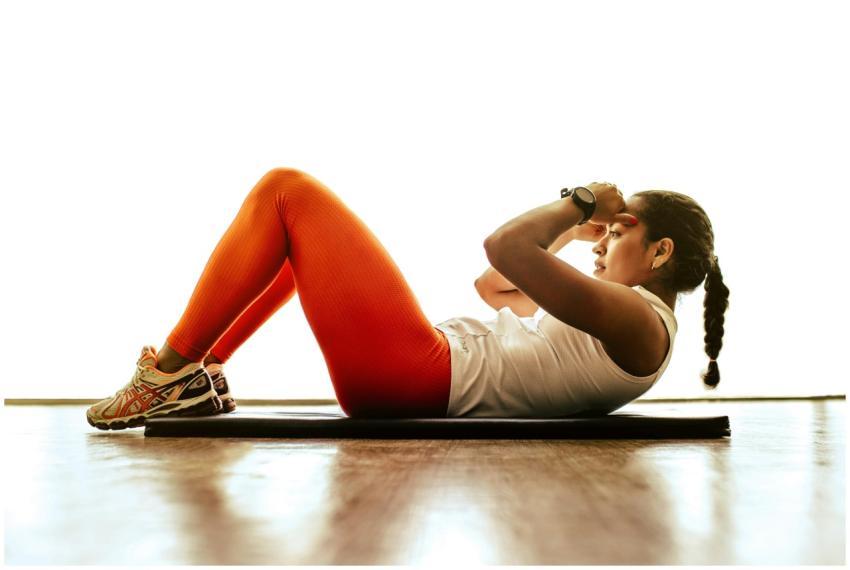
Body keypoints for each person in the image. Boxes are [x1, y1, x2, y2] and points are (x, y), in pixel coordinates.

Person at [86, 168, 729, 430]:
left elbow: (503, 246)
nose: (600, 243)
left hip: (416, 371)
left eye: (618, 233)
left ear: (661, 254)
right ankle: (198, 372)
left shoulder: (640, 322)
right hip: (419, 366)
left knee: (286, 192)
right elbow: (496, 285)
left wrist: (580, 201)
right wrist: (572, 226)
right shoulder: (619, 321)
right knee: (291, 242)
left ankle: (167, 372)